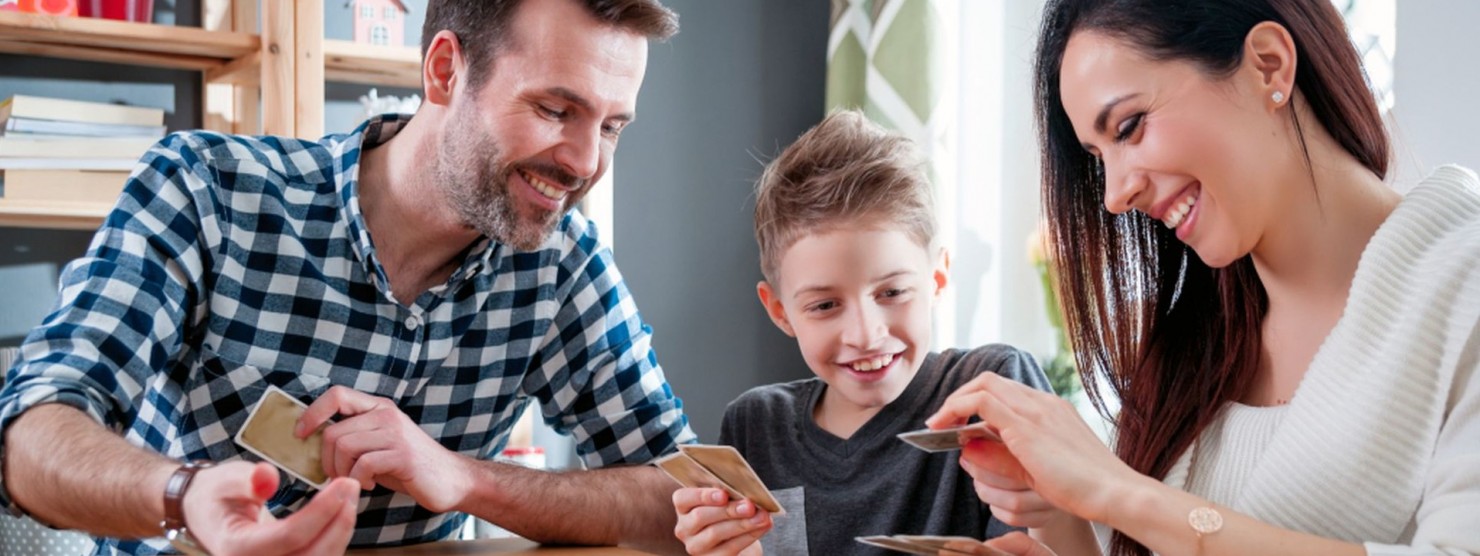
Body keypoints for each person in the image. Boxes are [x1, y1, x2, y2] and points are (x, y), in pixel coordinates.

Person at [0, 0, 698, 554]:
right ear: (446, 71)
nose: (583, 162)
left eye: (610, 127)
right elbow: (28, 438)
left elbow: (686, 499)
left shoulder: (562, 261)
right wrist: (187, 495)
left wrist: (464, 479)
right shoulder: (208, 190)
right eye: (554, 109)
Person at [926, 0, 1480, 555]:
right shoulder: (1190, 350)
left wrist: (1118, 492)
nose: (1116, 195)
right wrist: (1062, 521)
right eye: (1098, 159)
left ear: (1267, 65)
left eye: (1129, 126)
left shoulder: (1461, 283)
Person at [670, 110, 1053, 555]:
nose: (866, 335)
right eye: (825, 305)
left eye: (892, 292)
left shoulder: (990, 391)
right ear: (780, 312)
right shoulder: (756, 426)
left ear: (937, 278)